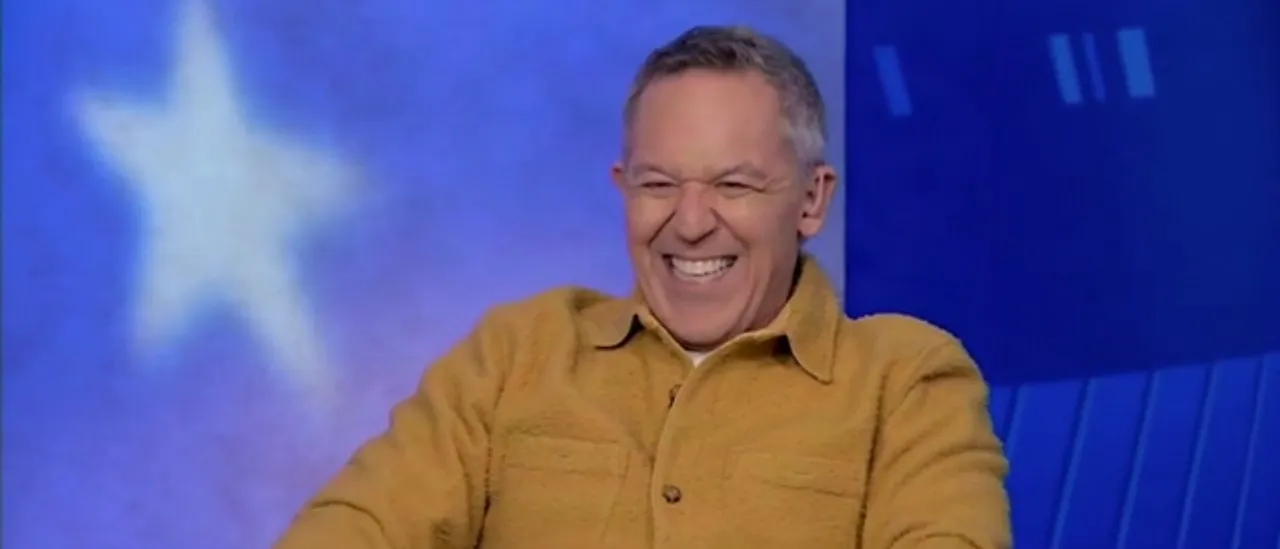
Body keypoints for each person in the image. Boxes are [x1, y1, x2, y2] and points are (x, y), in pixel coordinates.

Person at [273, 25, 1010, 549]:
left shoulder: (907, 380)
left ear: (812, 201)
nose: (689, 222)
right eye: (658, 184)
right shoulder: (517, 353)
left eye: (734, 184)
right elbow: (354, 527)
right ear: (622, 187)